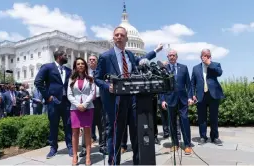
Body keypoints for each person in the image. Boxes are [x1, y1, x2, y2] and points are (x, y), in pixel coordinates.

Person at [94, 26, 163, 165]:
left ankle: (137, 161)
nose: (119, 37)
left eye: (122, 35)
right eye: (116, 35)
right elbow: (97, 78)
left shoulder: (130, 55)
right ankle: (114, 162)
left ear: (126, 38)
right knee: (115, 135)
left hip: (132, 100)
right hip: (115, 101)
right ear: (113, 38)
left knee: (136, 133)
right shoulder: (105, 57)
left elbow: (141, 60)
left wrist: (155, 51)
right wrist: (109, 87)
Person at [34, 50, 72, 158]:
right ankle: (53, 148)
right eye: (65, 55)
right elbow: (38, 81)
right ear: (59, 56)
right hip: (53, 102)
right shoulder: (47, 67)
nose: (67, 57)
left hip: (66, 102)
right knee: (53, 125)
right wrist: (47, 96)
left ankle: (70, 146)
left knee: (68, 125)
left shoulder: (68, 70)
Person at [160, 49, 193, 154]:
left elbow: (189, 84)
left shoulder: (183, 67)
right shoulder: (164, 69)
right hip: (170, 99)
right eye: (170, 55)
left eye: (173, 55)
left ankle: (187, 145)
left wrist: (190, 97)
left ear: (177, 57)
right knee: (172, 122)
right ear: (168, 57)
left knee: (184, 120)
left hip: (183, 100)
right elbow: (162, 86)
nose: (172, 57)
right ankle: (175, 143)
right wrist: (162, 100)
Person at [191, 49, 224, 146]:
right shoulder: (195, 68)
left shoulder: (215, 65)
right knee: (202, 118)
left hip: (213, 95)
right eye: (204, 55)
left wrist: (210, 64)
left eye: (207, 55)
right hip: (201, 95)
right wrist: (193, 94)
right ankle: (202, 137)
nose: (205, 57)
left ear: (210, 57)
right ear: (201, 56)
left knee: (214, 117)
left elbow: (219, 73)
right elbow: (192, 83)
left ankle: (215, 137)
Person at [68, 57, 95, 165]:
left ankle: (88, 156)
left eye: (82, 64)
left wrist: (84, 104)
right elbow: (69, 94)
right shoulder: (71, 79)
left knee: (87, 132)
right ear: (75, 66)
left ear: (85, 66)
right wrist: (77, 105)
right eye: (78, 64)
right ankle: (75, 156)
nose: (80, 65)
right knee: (75, 133)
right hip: (75, 109)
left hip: (88, 107)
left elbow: (92, 93)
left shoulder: (90, 78)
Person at [80, 54, 108, 158]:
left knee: (102, 125)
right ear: (88, 62)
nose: (92, 61)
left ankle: (102, 145)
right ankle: (84, 148)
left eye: (94, 60)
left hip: (100, 101)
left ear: (97, 62)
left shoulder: (102, 72)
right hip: (88, 102)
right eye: (90, 60)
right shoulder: (84, 74)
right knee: (86, 125)